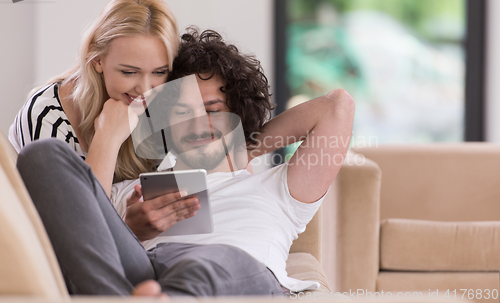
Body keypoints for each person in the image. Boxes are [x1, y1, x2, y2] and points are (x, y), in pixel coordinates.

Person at [16, 29, 355, 296]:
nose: (195, 124)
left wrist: (238, 149)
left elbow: (336, 107)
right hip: (143, 272)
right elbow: (82, 237)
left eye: (211, 110)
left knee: (220, 260)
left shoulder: (280, 188)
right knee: (41, 155)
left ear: (237, 112)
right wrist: (130, 229)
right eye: (180, 112)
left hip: (227, 272)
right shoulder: (133, 187)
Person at [9, 0, 201, 239]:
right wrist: (108, 139)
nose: (145, 90)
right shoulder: (47, 116)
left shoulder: (157, 106)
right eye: (129, 72)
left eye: (159, 72)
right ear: (97, 59)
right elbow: (74, 237)